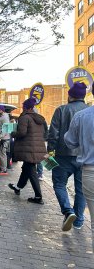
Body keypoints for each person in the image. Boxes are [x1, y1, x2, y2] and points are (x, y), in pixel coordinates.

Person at [48, 82, 89, 231]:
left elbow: (53, 133)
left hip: (63, 155)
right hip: (85, 157)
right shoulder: (89, 111)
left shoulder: (61, 110)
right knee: (81, 189)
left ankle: (67, 211)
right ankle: (78, 221)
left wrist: (50, 150)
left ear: (70, 95)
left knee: (59, 184)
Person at [64, 84, 94, 249]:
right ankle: (78, 219)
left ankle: (73, 215)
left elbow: (70, 141)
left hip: (90, 170)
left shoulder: (82, 116)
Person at [8, 97, 47, 204]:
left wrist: (13, 133)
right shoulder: (40, 119)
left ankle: (38, 197)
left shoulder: (25, 118)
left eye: (23, 107)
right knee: (26, 168)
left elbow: (22, 133)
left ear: (26, 107)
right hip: (37, 148)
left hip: (28, 149)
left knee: (31, 171)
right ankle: (18, 187)